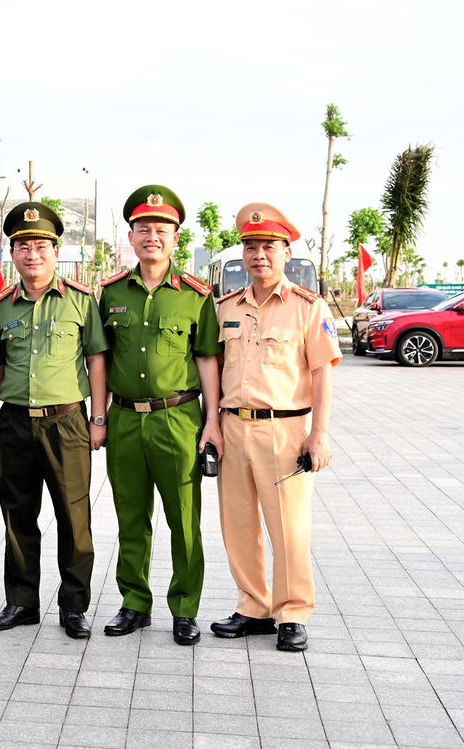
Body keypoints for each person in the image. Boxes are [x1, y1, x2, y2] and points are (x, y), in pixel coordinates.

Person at [93, 185, 221, 646]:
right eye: (143, 228)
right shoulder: (109, 294)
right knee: (131, 515)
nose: (152, 236)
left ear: (176, 237)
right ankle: (134, 603)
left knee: (184, 519)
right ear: (130, 237)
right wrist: (100, 416)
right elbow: (100, 360)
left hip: (178, 418)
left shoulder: (195, 295)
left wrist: (212, 421)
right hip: (125, 418)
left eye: (161, 229)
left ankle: (185, 608)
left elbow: (208, 359)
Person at [211, 203, 341, 653]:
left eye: (268, 246)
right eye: (250, 246)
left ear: (286, 251)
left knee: (288, 526)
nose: (258, 255)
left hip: (284, 430)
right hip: (233, 428)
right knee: (239, 523)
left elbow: (323, 371)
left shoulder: (308, 307)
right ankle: (253, 606)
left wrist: (319, 432)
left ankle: (292, 611)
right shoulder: (225, 306)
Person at [0, 202, 108, 638]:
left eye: (40, 245)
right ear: (11, 254)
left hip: (67, 422)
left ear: (56, 251)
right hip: (15, 420)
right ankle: (20, 602)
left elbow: (95, 360)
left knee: (74, 519)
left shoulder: (80, 301)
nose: (31, 254)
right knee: (18, 515)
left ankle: (74, 606)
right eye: (22, 246)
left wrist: (98, 417)